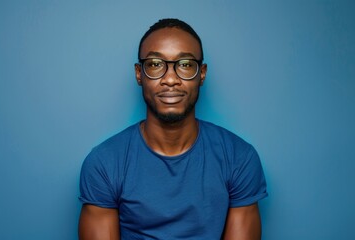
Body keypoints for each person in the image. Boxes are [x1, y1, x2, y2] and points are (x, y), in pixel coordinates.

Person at [78, 18, 268, 240]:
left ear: (202, 74)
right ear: (139, 74)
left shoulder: (238, 158)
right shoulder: (104, 163)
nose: (170, 79)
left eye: (185, 65)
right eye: (155, 64)